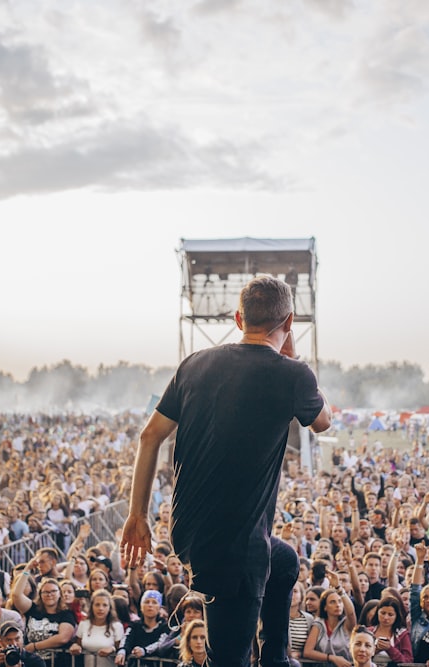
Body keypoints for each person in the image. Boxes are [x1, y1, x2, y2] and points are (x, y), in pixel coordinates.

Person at [121, 274, 332, 667]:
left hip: (188, 532)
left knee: (285, 562)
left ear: (238, 318)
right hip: (237, 551)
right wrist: (294, 360)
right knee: (228, 660)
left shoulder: (194, 364)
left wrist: (137, 515)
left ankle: (275, 656)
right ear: (289, 324)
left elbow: (149, 437)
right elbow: (323, 422)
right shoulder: (293, 374)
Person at [10, 575, 76, 667]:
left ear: (60, 593)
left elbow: (63, 638)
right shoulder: (33, 609)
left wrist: (35, 646)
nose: (49, 594)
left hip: (56, 663)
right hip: (32, 663)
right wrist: (26, 570)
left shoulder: (66, 614)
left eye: (53, 591)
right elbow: (16, 595)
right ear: (40, 594)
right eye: (45, 592)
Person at [67, 590, 123, 667]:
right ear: (92, 606)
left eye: (105, 605)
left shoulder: (116, 626)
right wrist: (75, 646)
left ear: (110, 607)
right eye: (97, 605)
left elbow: (120, 648)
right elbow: (78, 643)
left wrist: (112, 649)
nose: (100, 608)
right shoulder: (84, 624)